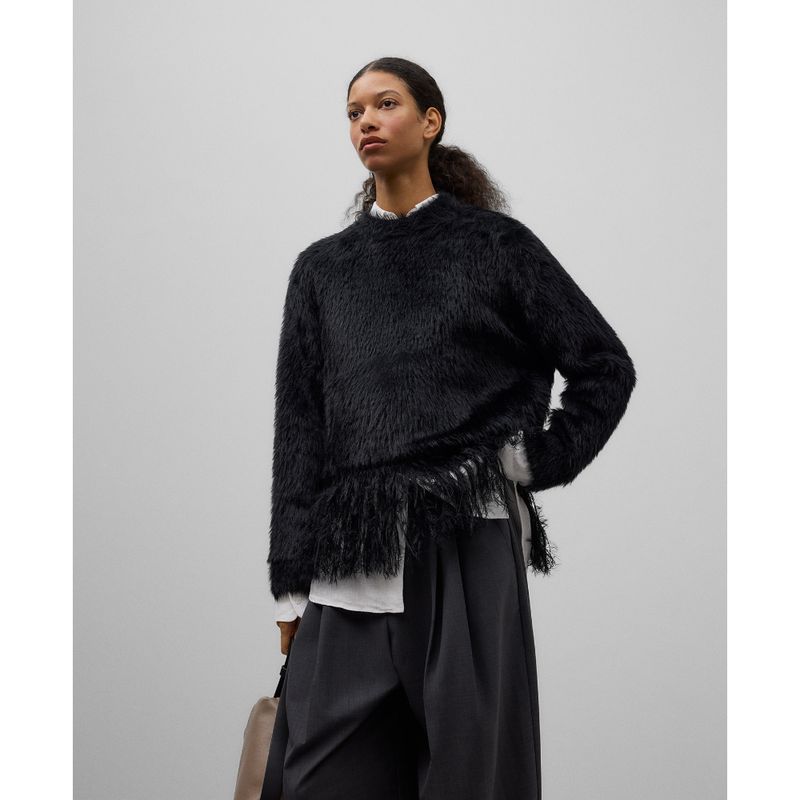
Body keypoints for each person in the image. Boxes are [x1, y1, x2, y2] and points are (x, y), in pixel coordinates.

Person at [265, 56, 637, 800]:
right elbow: (299, 426)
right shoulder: (322, 269)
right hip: (351, 552)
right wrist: (289, 583)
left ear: (430, 121)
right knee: (317, 778)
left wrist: (540, 459)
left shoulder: (496, 246)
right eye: (353, 111)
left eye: (386, 104)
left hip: (465, 537)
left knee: (471, 774)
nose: (366, 122)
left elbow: (604, 365)